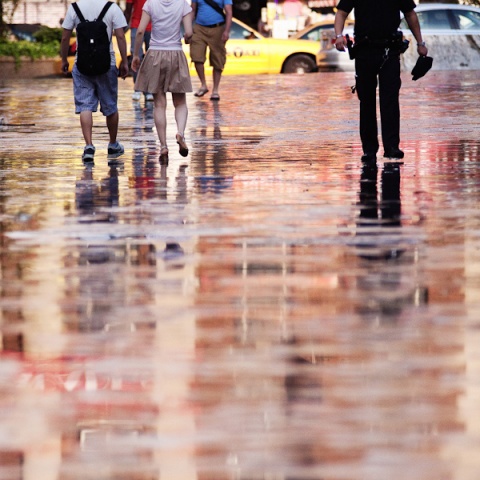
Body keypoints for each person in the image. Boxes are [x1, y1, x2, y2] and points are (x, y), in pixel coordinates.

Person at [334, 0, 428, 162]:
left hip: (389, 51)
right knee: (366, 101)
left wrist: (420, 43)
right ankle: (369, 150)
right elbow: (342, 12)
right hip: (364, 50)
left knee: (390, 100)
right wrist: (338, 36)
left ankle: (392, 147)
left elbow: (410, 13)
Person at [61, 0, 129, 162]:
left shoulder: (74, 8)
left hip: (82, 64)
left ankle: (89, 146)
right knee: (110, 105)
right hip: (107, 64)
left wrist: (64, 59)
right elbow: (120, 36)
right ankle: (112, 144)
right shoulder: (112, 8)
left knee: (85, 105)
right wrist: (124, 62)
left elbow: (65, 38)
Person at [131, 0, 194, 164]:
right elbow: (189, 33)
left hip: (155, 55)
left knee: (159, 104)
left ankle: (164, 146)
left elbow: (140, 31)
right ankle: (180, 133)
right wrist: (186, 38)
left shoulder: (150, 3)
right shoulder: (183, 5)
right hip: (176, 54)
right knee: (180, 102)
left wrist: (136, 55)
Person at [190, 0, 233, 101]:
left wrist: (226, 31)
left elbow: (229, 12)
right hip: (199, 28)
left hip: (218, 28)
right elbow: (192, 10)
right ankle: (203, 85)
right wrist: (189, 28)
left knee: (218, 59)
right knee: (196, 56)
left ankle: (215, 90)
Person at [124, 0, 154, 102]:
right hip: (136, 26)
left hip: (152, 26)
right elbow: (128, 9)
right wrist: (123, 28)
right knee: (136, 57)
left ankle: (149, 90)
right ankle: (138, 88)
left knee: (151, 58)